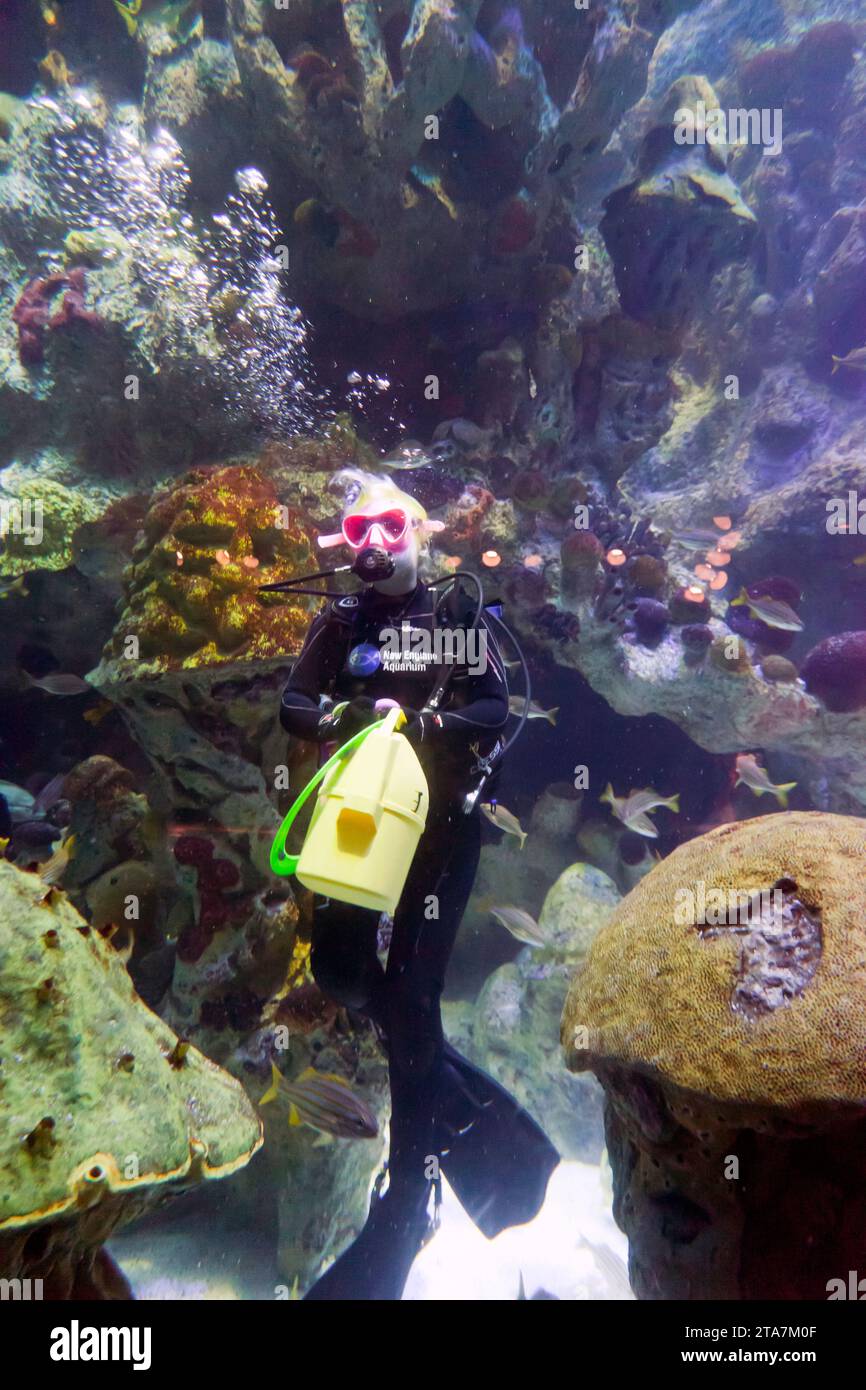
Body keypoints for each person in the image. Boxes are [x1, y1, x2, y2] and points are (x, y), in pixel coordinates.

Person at [279, 473, 559, 1300]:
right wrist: (339, 721)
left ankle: (408, 1200)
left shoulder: (454, 616)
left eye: (389, 524)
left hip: (441, 833)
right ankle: (451, 1089)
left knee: (409, 995)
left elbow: (495, 709)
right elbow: (295, 701)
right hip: (359, 825)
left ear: (419, 533)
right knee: (338, 975)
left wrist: (430, 723)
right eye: (356, 528)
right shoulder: (339, 620)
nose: (372, 542)